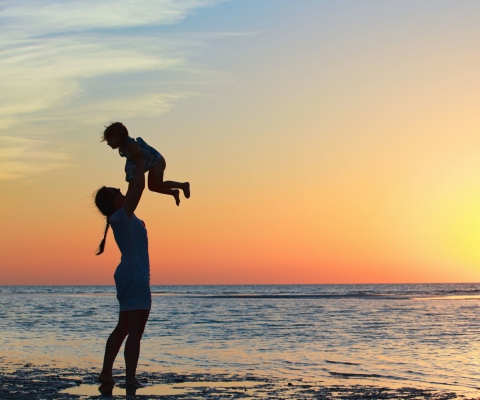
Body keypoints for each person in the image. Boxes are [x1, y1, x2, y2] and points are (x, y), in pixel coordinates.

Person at [94, 142, 150, 388]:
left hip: (130, 274)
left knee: (124, 327)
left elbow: (135, 187)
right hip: (134, 276)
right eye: (118, 191)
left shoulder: (123, 216)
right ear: (115, 202)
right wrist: (139, 160)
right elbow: (138, 186)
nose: (121, 191)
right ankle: (129, 379)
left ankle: (107, 373)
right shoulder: (121, 215)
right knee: (134, 331)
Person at [102, 122, 190, 206]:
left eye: (108, 140)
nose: (108, 143)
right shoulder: (124, 147)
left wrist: (128, 198)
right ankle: (173, 192)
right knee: (152, 187)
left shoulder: (130, 146)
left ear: (117, 137)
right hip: (152, 163)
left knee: (158, 183)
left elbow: (137, 159)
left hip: (156, 161)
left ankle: (183, 185)